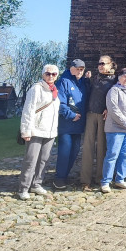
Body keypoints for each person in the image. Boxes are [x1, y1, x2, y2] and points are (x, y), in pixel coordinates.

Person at [17, 64, 60, 200]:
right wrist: (26, 130)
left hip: (50, 131)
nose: (51, 76)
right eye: (48, 73)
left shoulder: (55, 91)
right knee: (31, 160)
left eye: (54, 74)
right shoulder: (36, 89)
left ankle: (36, 183)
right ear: (43, 75)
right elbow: (28, 110)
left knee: (44, 160)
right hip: (36, 130)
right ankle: (23, 187)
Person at [80, 55, 117, 190]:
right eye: (99, 63)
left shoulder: (115, 80)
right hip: (91, 113)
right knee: (88, 147)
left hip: (104, 116)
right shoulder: (95, 78)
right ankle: (85, 180)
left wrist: (109, 108)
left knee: (102, 148)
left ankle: (101, 178)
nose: (100, 66)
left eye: (103, 63)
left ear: (111, 65)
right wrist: (86, 80)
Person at [54, 59, 88, 190]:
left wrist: (87, 80)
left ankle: (65, 175)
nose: (80, 71)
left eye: (82, 69)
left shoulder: (82, 83)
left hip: (78, 126)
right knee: (64, 151)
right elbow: (60, 103)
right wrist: (71, 115)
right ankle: (59, 178)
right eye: (77, 68)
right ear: (71, 68)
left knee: (74, 151)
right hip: (66, 125)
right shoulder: (64, 81)